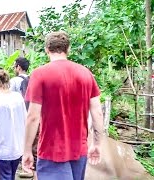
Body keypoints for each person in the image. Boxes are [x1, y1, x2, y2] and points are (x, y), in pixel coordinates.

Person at [22, 31, 104, 180]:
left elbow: (33, 117)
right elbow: (97, 113)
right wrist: (97, 144)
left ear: (47, 49)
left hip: (51, 151)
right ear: (68, 49)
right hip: (79, 150)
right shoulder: (86, 73)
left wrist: (27, 150)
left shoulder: (39, 74)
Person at [0, 70, 27, 180]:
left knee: (5, 176)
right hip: (17, 146)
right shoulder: (18, 97)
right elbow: (25, 120)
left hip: (2, 146)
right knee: (11, 175)